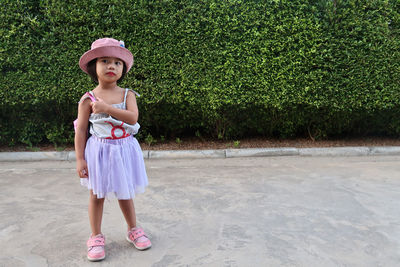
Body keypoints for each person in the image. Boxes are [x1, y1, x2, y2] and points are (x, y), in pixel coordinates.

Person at [75, 38, 151, 262]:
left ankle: (133, 229)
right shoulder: (87, 99)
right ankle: (96, 236)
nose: (111, 66)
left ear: (123, 69)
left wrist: (107, 109)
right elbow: (80, 132)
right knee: (96, 194)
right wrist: (80, 160)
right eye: (105, 61)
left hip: (124, 150)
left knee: (125, 192)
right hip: (99, 152)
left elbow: (133, 117)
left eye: (117, 63)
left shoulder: (128, 94)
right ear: (93, 67)